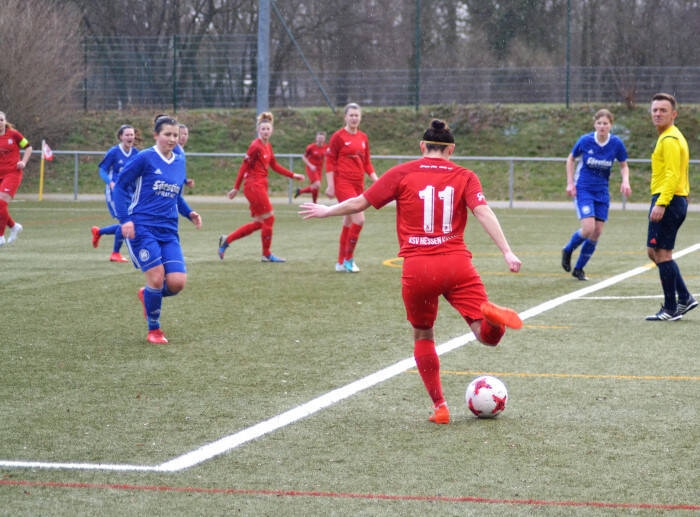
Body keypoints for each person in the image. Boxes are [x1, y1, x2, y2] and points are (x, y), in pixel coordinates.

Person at [300, 119, 523, 424]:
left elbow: (360, 202)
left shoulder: (402, 173)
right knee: (486, 337)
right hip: (457, 264)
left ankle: (440, 407)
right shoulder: (466, 176)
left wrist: (327, 210)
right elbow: (483, 211)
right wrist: (507, 251)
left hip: (418, 268)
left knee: (423, 333)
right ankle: (494, 322)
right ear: (452, 149)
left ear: (422, 146)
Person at [112, 115, 202, 344]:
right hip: (143, 227)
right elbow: (121, 187)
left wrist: (189, 212)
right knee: (156, 276)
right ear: (156, 135)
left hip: (169, 230)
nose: (172, 139)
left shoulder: (179, 160)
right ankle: (154, 329)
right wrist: (125, 219)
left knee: (176, 283)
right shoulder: (145, 158)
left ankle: (147, 295)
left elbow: (176, 195)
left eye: (175, 135)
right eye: (167, 135)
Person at [218, 111, 304, 263]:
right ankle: (266, 254)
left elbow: (274, 165)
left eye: (268, 129)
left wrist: (293, 175)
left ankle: (227, 240)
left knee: (260, 223)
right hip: (253, 186)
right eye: (262, 129)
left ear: (272, 131)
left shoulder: (267, 146)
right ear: (258, 130)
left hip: (260, 185)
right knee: (269, 219)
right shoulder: (255, 146)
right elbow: (243, 167)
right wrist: (236, 188)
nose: (265, 131)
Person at [561, 109, 631, 280]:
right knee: (588, 228)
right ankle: (568, 249)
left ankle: (579, 269)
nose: (602, 126)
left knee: (597, 231)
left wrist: (625, 181)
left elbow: (623, 165)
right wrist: (570, 182)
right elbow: (570, 159)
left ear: (610, 125)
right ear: (595, 124)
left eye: (605, 123)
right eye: (599, 123)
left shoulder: (616, 143)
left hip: (602, 191)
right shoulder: (585, 141)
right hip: (584, 188)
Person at [644, 93, 697, 321]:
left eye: (663, 110)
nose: (657, 114)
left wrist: (662, 203)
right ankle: (684, 297)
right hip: (672, 199)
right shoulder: (669, 137)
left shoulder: (670, 139)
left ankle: (671, 308)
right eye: (655, 110)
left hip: (668, 200)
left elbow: (673, 174)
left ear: (673, 114)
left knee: (662, 254)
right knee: (654, 251)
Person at [325, 103, 378, 272]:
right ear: (345, 117)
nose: (354, 118)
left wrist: (376, 180)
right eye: (351, 115)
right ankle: (349, 260)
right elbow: (330, 162)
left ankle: (340, 262)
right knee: (359, 219)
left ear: (360, 117)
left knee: (348, 221)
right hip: (343, 184)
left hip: (358, 185)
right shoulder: (338, 137)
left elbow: (367, 163)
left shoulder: (363, 137)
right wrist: (331, 185)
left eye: (357, 115)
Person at [91, 124, 139, 262]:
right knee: (125, 222)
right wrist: (110, 182)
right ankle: (115, 253)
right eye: (127, 135)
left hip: (130, 192)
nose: (130, 137)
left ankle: (99, 232)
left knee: (130, 222)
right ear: (121, 137)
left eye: (132, 134)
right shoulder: (113, 152)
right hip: (115, 193)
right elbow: (102, 170)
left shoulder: (136, 153)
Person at [0, 111, 32, 247]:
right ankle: (13, 226)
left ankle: (0, 236)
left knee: (1, 204)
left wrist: (23, 162)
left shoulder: (14, 134)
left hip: (12, 174)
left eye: (1, 120)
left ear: (4, 121)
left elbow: (28, 147)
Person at [295, 131, 328, 203]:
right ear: (316, 138)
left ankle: (312, 201)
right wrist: (310, 165)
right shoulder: (311, 147)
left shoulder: (326, 147)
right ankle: (303, 193)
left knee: (316, 187)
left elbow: (326, 156)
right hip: (311, 169)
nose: (320, 140)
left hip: (319, 169)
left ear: (324, 139)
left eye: (322, 138)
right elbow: (304, 157)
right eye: (319, 138)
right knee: (317, 184)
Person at [175, 122, 195, 188]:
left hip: (178, 185)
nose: (183, 136)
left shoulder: (181, 150)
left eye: (185, 134)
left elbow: (178, 169)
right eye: (181, 134)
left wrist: (185, 180)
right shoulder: (174, 149)